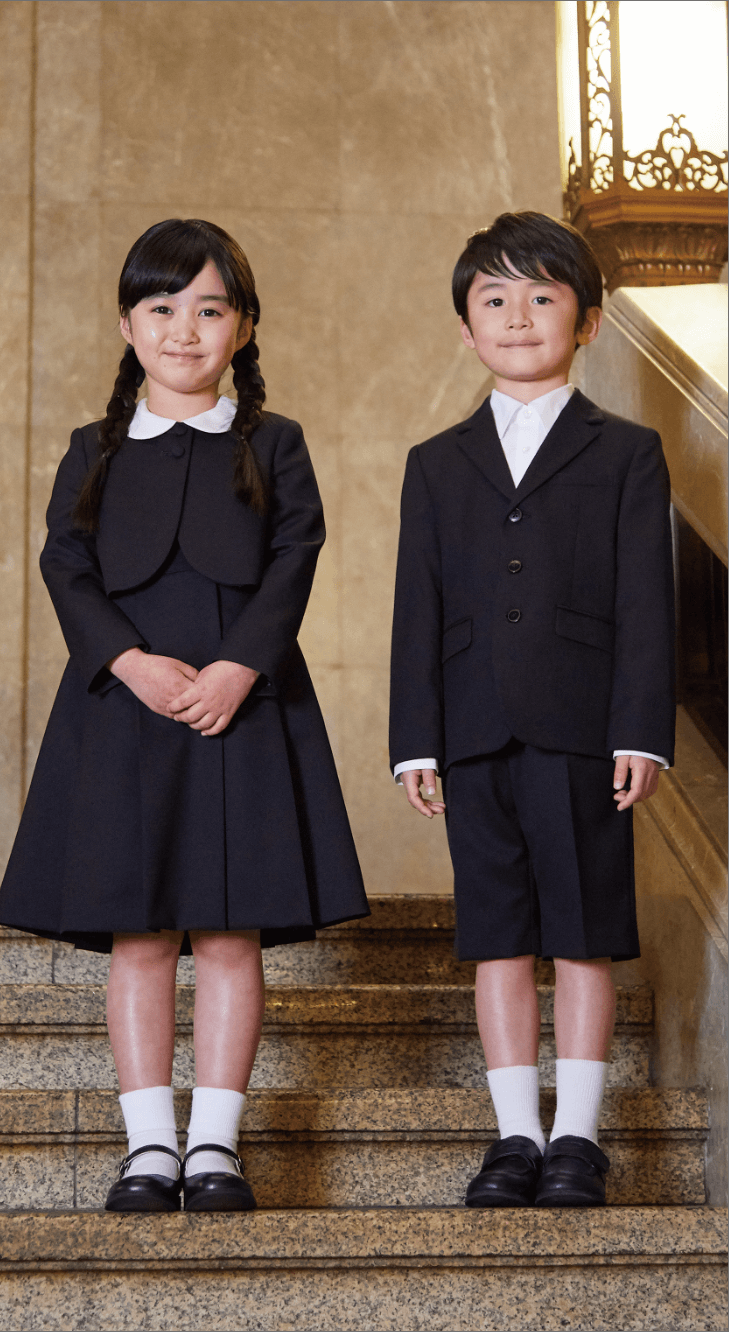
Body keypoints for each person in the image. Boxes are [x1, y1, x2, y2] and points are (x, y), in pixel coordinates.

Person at [0, 218, 369, 1213]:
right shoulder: (95, 449)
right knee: (142, 937)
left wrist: (240, 667)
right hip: (123, 711)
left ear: (243, 328)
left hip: (243, 710)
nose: (185, 330)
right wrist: (129, 662)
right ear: (128, 324)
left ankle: (214, 1147)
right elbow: (63, 564)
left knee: (229, 934)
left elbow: (296, 556)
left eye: (210, 310)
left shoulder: (273, 444)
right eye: (163, 309)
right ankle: (149, 1147)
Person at [389, 211, 675, 1208]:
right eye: (495, 300)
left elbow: (648, 598)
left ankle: (578, 1140)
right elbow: (415, 606)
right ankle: (514, 1135)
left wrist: (640, 727)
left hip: (584, 729)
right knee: (498, 933)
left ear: (587, 321)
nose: (519, 316)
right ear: (466, 329)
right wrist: (413, 739)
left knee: (584, 931)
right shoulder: (436, 461)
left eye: (544, 296)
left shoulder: (626, 451)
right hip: (471, 731)